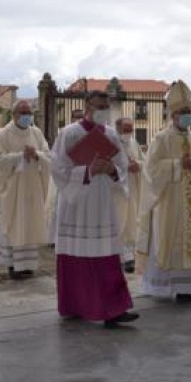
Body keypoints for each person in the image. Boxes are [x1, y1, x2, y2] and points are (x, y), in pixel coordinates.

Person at [51, 91, 138, 328]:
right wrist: (89, 170)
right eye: (100, 106)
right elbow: (58, 170)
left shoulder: (110, 134)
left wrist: (110, 171)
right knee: (75, 257)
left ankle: (114, 310)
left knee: (107, 258)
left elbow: (121, 168)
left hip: (101, 205)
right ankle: (75, 306)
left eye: (106, 107)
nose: (104, 111)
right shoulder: (68, 133)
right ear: (87, 107)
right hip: (76, 207)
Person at [136, 80, 191, 302]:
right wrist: (176, 165)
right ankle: (167, 287)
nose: (187, 115)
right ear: (172, 115)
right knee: (170, 239)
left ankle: (190, 289)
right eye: (183, 112)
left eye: (189, 111)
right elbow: (150, 169)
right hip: (170, 202)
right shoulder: (161, 138)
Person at [0, 100, 51, 279]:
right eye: (23, 113)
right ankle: (13, 266)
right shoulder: (3, 134)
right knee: (13, 224)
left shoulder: (36, 132)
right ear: (14, 114)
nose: (27, 116)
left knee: (30, 224)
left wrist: (37, 155)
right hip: (12, 190)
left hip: (32, 188)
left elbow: (47, 154)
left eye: (29, 113)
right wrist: (20, 157)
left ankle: (27, 265)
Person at [46, 108, 85, 246]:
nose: (79, 119)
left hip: (83, 177)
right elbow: (56, 155)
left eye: (81, 116)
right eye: (77, 117)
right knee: (59, 208)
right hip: (66, 176)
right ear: (72, 118)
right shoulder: (65, 133)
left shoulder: (87, 133)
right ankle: (55, 238)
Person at [114, 116, 144, 273]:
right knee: (120, 222)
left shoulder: (134, 143)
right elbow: (107, 166)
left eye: (131, 129)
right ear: (118, 128)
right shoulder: (111, 144)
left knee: (131, 222)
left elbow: (143, 161)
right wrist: (126, 168)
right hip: (117, 191)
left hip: (132, 188)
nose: (129, 132)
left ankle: (128, 256)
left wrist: (137, 165)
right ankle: (123, 257)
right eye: (126, 130)